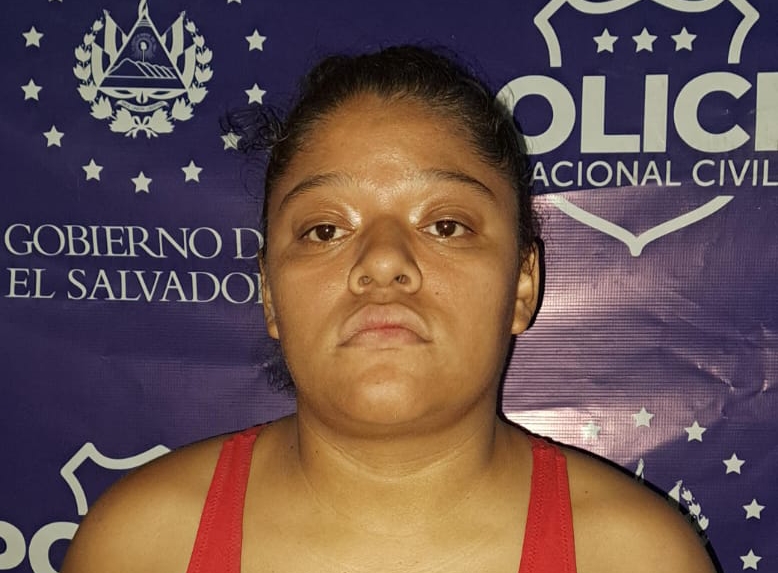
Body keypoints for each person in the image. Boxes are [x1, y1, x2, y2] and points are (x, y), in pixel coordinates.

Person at [62, 45, 718, 573]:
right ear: (269, 293)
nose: (381, 260)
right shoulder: (143, 546)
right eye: (324, 230)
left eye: (446, 225)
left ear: (523, 284)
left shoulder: (637, 557)